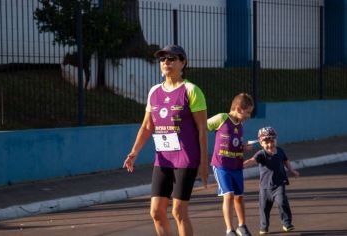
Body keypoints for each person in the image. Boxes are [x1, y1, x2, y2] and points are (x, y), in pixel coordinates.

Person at [123, 44, 208, 236]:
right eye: (162, 59)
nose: (166, 62)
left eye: (171, 58)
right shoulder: (154, 92)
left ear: (183, 62)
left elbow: (202, 129)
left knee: (178, 211)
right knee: (156, 212)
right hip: (163, 159)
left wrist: (203, 164)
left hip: (186, 159)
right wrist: (134, 152)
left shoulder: (191, 91)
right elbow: (146, 126)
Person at [207, 93, 254, 236]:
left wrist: (243, 147)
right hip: (221, 165)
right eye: (247, 112)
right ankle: (229, 230)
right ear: (239, 109)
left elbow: (235, 143)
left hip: (236, 166)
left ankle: (242, 226)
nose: (249, 116)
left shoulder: (240, 125)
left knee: (239, 197)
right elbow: (202, 125)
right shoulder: (222, 118)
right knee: (228, 195)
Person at [243, 127, 300, 235]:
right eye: (266, 142)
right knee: (264, 208)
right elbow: (252, 160)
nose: (270, 144)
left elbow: (286, 161)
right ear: (261, 143)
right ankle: (264, 227)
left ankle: (287, 223)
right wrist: (242, 165)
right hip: (264, 188)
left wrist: (292, 170)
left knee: (282, 202)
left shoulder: (280, 151)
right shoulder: (261, 154)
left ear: (276, 140)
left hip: (279, 184)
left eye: (272, 141)